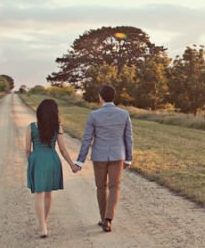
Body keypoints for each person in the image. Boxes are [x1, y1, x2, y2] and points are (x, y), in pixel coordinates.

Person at [73, 85, 133, 232]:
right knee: (114, 187)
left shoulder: (93, 115)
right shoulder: (124, 114)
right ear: (114, 97)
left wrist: (80, 161)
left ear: (100, 97)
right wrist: (128, 158)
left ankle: (103, 218)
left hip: (99, 156)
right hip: (118, 156)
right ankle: (108, 219)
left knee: (101, 187)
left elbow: (87, 139)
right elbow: (128, 138)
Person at [26, 98, 77, 238]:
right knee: (48, 194)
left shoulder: (31, 127)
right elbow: (63, 150)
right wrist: (72, 165)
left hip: (37, 159)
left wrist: (30, 162)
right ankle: (44, 223)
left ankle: (42, 226)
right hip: (52, 159)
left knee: (39, 194)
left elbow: (26, 150)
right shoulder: (57, 127)